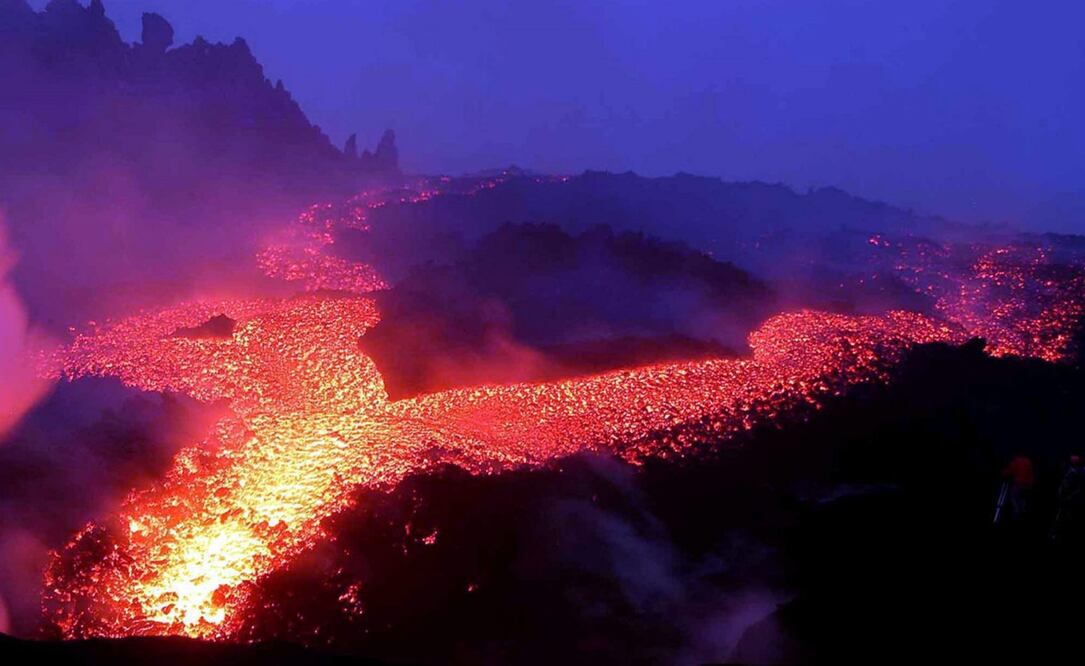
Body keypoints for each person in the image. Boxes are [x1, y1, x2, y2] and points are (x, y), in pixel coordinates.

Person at [1051, 454, 1084, 545]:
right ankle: (1057, 533)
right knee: (1062, 514)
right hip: (1066, 497)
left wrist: (1072, 495)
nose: (1073, 458)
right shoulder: (1068, 469)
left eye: (1076, 457)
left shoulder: (1080, 470)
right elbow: (1063, 482)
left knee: (1069, 514)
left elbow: (1079, 486)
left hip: (1073, 497)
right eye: (1072, 457)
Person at [1001, 454, 1035, 522]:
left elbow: (1010, 470)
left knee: (1013, 496)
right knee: (1022, 497)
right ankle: (1023, 512)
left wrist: (1002, 473)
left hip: (1019, 484)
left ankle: (1017, 512)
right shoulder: (1028, 462)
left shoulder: (1016, 461)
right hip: (1027, 485)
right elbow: (1031, 473)